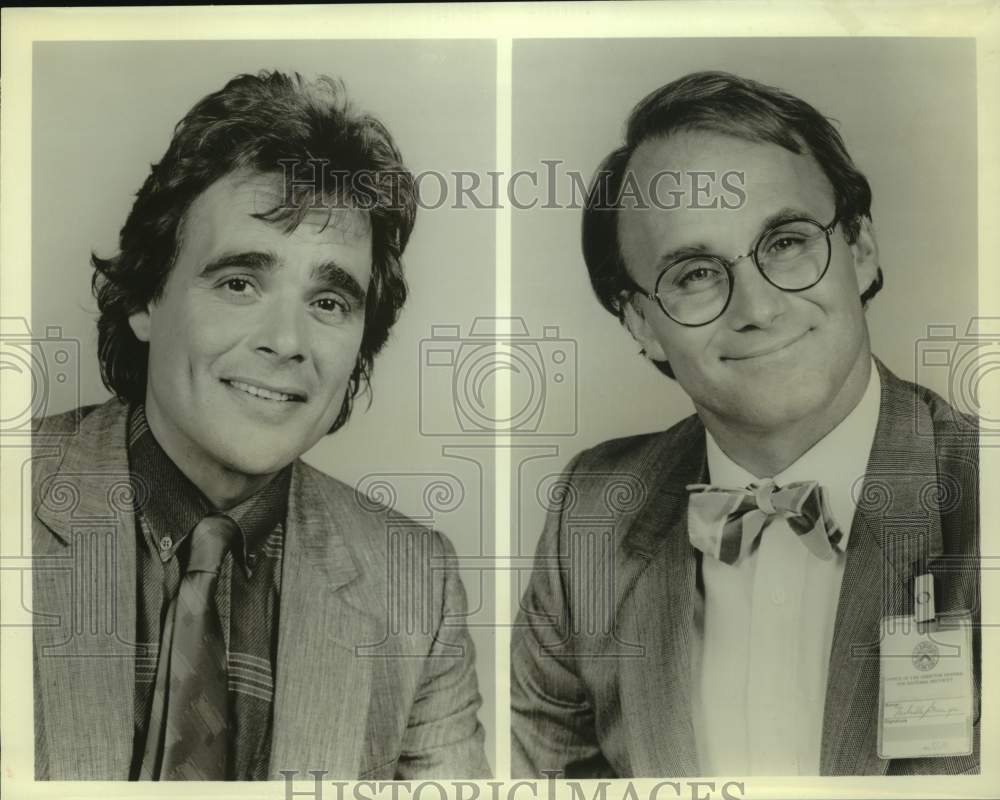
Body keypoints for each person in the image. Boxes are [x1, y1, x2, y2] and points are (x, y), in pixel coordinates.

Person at [511, 71, 980, 777]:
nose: (757, 308)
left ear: (860, 249)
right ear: (641, 322)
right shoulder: (590, 516)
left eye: (787, 242)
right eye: (695, 273)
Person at [32, 70, 490, 781]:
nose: (287, 341)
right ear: (146, 298)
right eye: (239, 283)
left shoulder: (414, 584)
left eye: (329, 302)